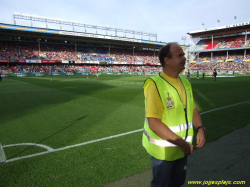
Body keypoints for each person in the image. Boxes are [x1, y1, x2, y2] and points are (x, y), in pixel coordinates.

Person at [142, 43, 206, 187]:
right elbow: (154, 122)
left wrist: (200, 128)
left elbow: (193, 109)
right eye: (180, 55)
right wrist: (182, 143)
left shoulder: (186, 83)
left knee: (177, 183)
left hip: (183, 148)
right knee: (162, 184)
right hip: (163, 151)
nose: (184, 58)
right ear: (167, 60)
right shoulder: (154, 85)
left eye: (184, 55)